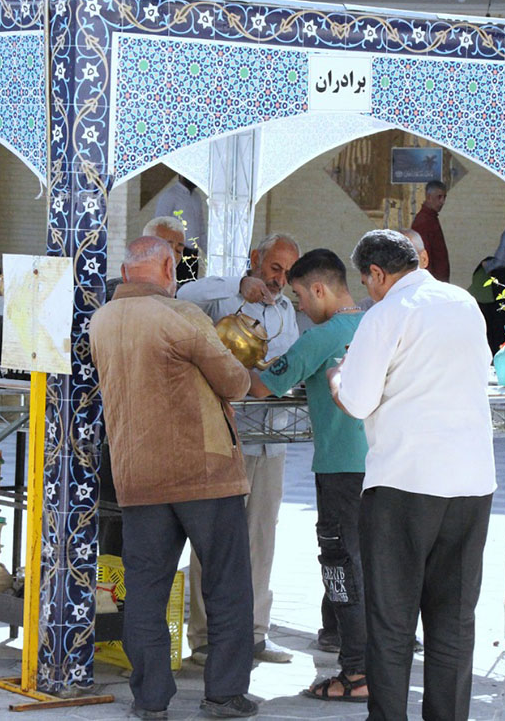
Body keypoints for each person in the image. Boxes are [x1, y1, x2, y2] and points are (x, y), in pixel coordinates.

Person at [328, 229, 496, 721]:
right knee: (454, 623)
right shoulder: (463, 302)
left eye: (366, 280)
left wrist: (337, 376)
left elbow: (357, 401)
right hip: (471, 483)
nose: (368, 290)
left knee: (392, 623)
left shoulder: (386, 314)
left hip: (404, 483)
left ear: (377, 273)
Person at [90, 236, 259, 719]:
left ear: (126, 272)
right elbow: (235, 382)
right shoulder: (180, 316)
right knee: (226, 585)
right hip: (203, 473)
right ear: (168, 269)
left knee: (145, 590)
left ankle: (150, 699)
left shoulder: (102, 321)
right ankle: (223, 693)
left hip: (137, 475)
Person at [248, 249, 369, 702]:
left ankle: (355, 672)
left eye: (300, 296)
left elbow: (263, 385)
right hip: (385, 465)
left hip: (341, 467)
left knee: (341, 567)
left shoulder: (323, 336)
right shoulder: (375, 325)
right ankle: (375, 663)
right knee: (374, 567)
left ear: (319, 289)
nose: (299, 306)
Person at [177, 233, 302, 665]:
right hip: (226, 438)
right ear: (255, 260)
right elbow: (182, 294)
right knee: (214, 539)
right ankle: (206, 638)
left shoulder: (286, 312)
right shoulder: (221, 296)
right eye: (274, 268)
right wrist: (238, 285)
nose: (280, 279)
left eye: (288, 272)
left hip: (273, 442)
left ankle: (254, 634)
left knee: (261, 539)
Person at [359, 230, 428, 312]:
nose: (399, 266)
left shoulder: (438, 301)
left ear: (424, 259)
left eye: (407, 258)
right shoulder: (367, 308)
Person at [155, 174, 207, 262]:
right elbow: (159, 225)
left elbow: (200, 228)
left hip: (193, 253)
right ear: (182, 175)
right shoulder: (170, 195)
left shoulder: (197, 197)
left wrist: (209, 251)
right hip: (176, 252)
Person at [410, 179, 451, 283]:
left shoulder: (431, 218)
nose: (442, 202)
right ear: (428, 197)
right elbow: (423, 256)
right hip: (432, 281)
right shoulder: (423, 221)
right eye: (439, 197)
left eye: (444, 197)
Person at [143, 215, 198, 285]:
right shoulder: (130, 286)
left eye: (179, 250)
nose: (174, 255)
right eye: (168, 248)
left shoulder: (182, 291)